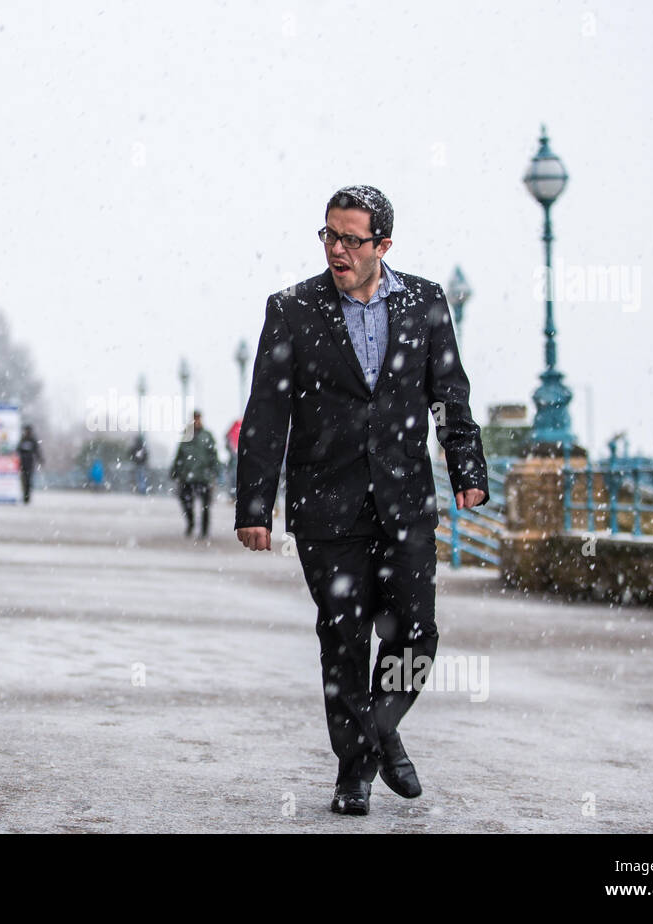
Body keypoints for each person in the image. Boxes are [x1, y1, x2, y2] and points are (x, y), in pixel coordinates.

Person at [235, 185, 488, 817]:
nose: (338, 250)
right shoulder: (292, 309)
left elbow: (449, 393)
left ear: (384, 245)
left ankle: (375, 735)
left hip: (404, 499)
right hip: (327, 504)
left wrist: (467, 466)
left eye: (352, 238)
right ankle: (355, 773)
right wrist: (253, 505)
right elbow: (267, 412)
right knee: (344, 637)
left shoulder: (425, 302)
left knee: (416, 636)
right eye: (329, 235)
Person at [170, 410, 221, 538]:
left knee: (205, 505)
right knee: (186, 502)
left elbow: (213, 455)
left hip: (203, 476)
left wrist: (215, 471)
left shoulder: (207, 435)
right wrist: (175, 470)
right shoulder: (187, 434)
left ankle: (204, 530)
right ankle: (191, 523)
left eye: (198, 418)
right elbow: (179, 454)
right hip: (187, 476)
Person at [16, 424, 44, 503]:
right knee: (24, 481)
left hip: (30, 464)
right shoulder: (22, 440)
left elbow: (37, 451)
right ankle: (25, 497)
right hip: (22, 465)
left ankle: (27, 497)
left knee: (29, 481)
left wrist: (40, 459)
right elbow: (17, 450)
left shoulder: (33, 440)